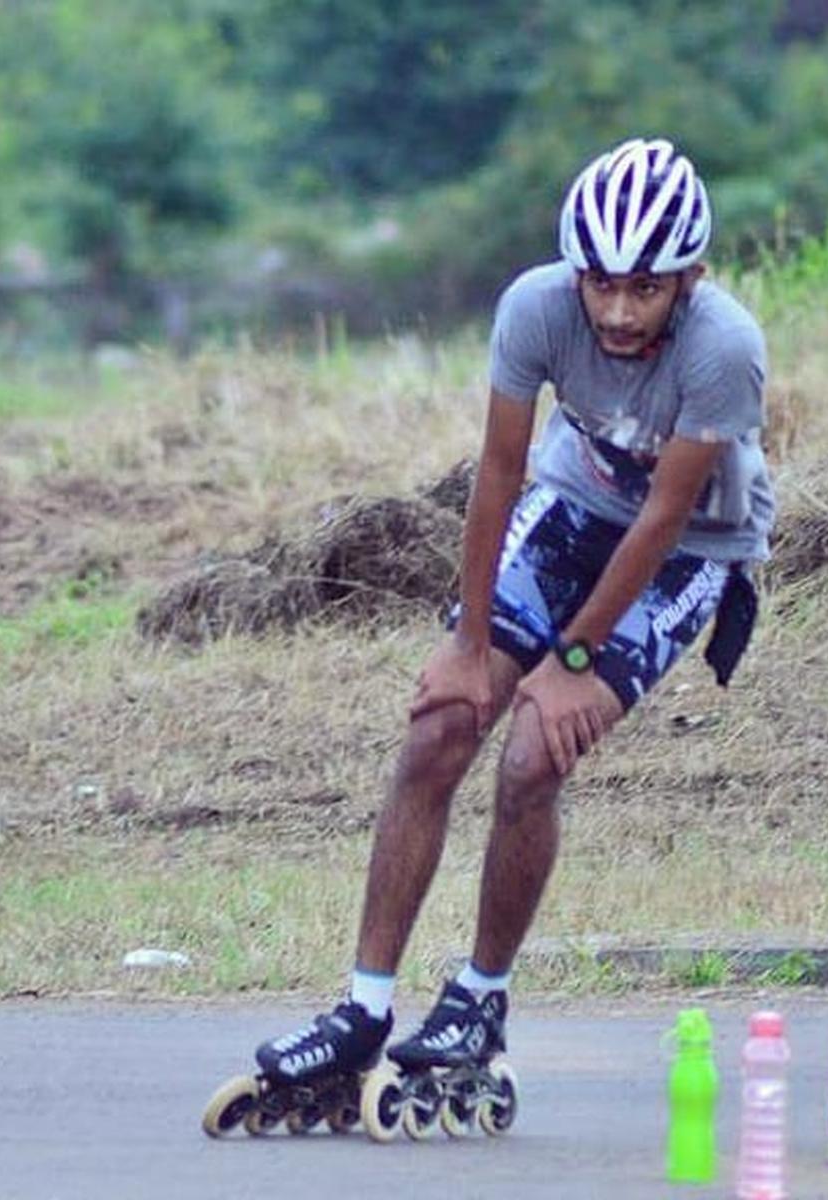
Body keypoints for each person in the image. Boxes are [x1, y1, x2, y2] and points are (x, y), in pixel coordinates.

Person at [253, 136, 775, 1086]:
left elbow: (662, 517)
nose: (618, 312)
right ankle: (363, 1009)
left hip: (692, 543)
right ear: (577, 272)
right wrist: (467, 641)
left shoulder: (724, 347)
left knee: (536, 755)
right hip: (572, 506)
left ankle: (480, 997)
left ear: (690, 278)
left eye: (647, 290)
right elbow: (499, 471)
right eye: (603, 284)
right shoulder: (536, 307)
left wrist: (569, 663)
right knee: (441, 729)